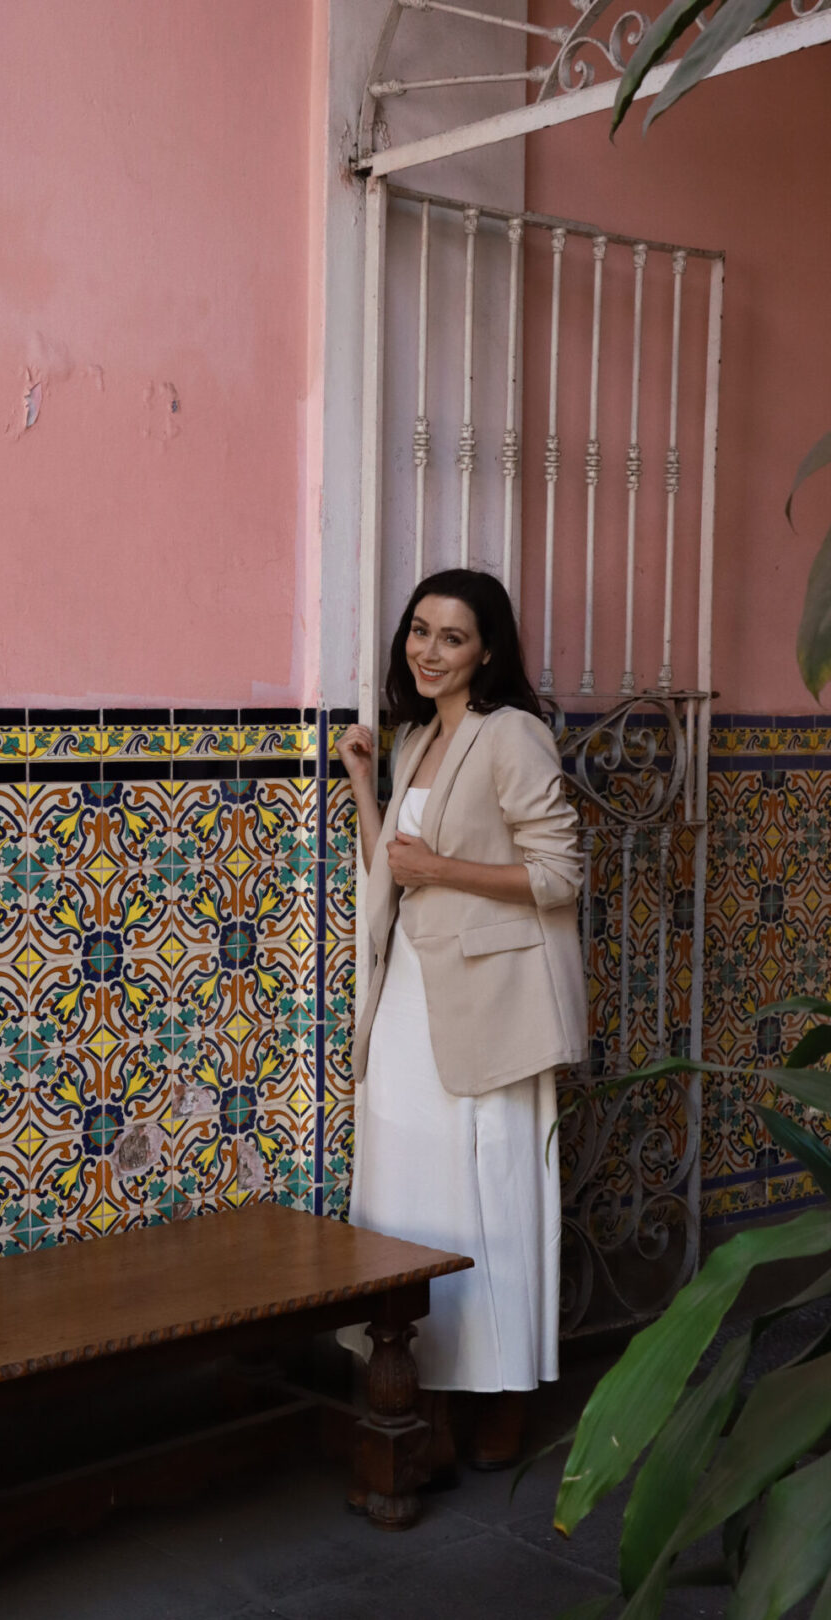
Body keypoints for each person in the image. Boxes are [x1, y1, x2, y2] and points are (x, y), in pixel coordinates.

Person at [335, 568, 586, 1469]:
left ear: (487, 649)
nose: (428, 650)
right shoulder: (413, 739)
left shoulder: (512, 734)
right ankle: (428, 1390)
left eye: (451, 636)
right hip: (409, 993)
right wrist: (366, 784)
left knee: (496, 1197)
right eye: (418, 630)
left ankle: (507, 1394)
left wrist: (443, 870)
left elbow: (560, 875)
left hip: (491, 1001)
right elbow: (397, 870)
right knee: (414, 1190)